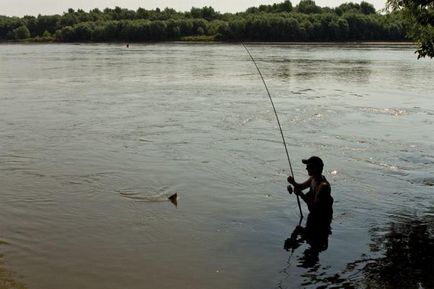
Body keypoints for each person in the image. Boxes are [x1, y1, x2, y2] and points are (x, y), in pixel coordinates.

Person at [284, 156, 333, 256]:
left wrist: (300, 194)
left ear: (316, 168)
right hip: (313, 217)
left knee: (303, 231)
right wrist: (293, 182)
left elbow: (315, 207)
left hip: (322, 220)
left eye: (309, 166)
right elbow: (300, 187)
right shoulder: (313, 179)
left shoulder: (323, 186)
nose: (306, 168)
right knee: (300, 229)